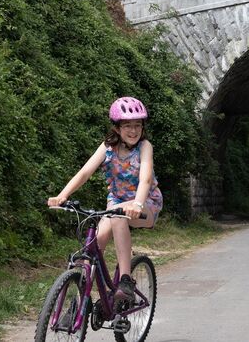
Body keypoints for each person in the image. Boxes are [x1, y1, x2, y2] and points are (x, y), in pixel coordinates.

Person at [47, 97, 163, 300]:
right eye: (127, 126)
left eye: (137, 125)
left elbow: (144, 179)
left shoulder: (145, 147)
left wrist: (137, 203)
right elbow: (85, 173)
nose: (133, 131)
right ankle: (80, 303)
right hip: (116, 203)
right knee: (93, 245)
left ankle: (125, 281)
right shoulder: (107, 147)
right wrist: (62, 195)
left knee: (119, 217)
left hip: (145, 204)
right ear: (117, 128)